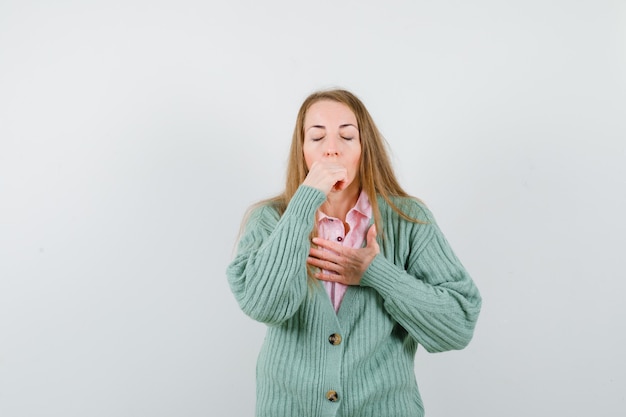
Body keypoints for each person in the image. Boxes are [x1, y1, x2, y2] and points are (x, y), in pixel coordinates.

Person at [226, 88, 481, 417]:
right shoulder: (270, 220)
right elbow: (264, 305)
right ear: (301, 151)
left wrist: (376, 273)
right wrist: (304, 202)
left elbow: (458, 324)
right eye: (317, 138)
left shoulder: (408, 219)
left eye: (347, 136)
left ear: (364, 148)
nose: (331, 150)